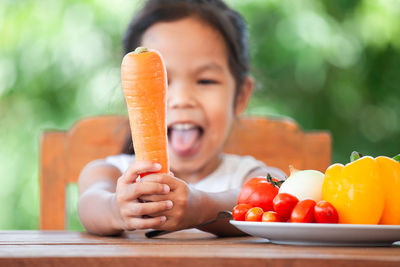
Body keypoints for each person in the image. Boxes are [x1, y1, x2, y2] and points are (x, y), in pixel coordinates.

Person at [78, 0, 285, 236]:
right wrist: (115, 208)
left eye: (205, 81)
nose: (182, 99)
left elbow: (273, 193)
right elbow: (90, 203)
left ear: (240, 96)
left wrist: (201, 207)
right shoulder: (114, 174)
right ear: (132, 95)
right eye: (160, 81)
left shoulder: (243, 176)